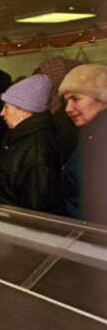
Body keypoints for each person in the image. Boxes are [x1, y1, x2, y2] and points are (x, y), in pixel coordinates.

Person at [0, 75, 63, 213]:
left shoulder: (36, 151)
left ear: (25, 110)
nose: (2, 113)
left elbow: (37, 209)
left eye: (7, 107)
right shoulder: (19, 137)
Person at [58, 64, 107, 225]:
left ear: (103, 98)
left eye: (76, 99)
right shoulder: (91, 133)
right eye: (66, 101)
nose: (68, 109)